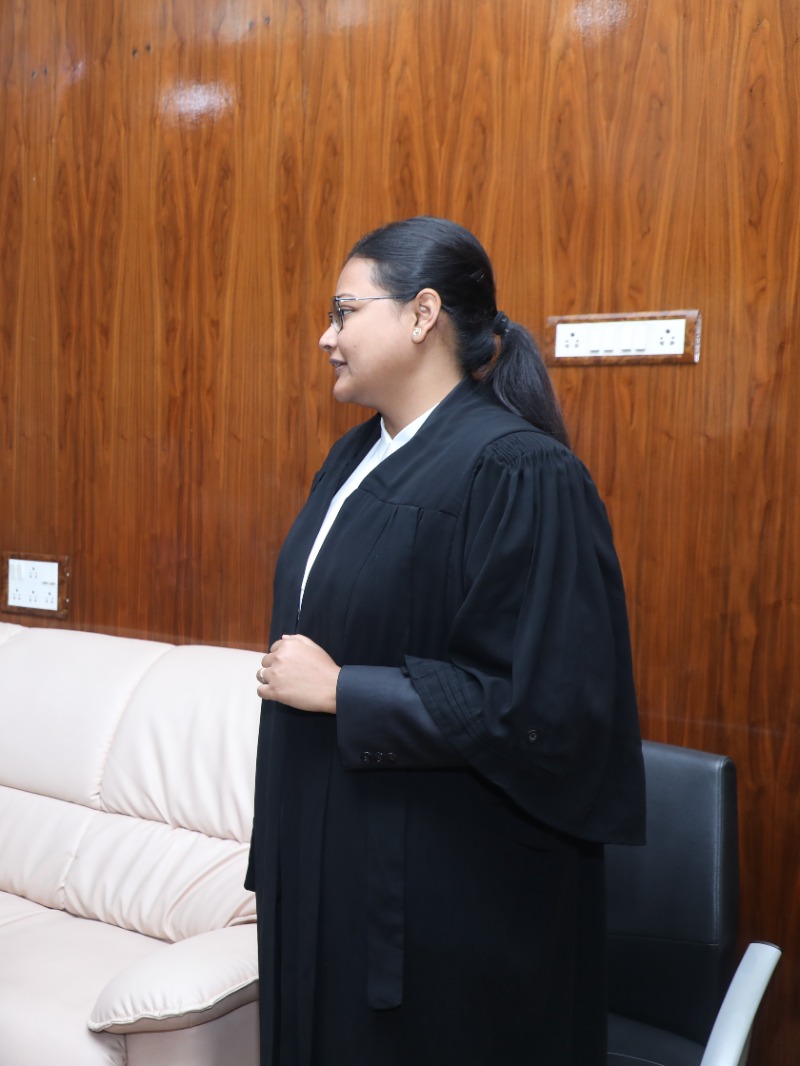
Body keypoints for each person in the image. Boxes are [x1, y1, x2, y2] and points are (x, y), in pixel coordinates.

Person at [248, 217, 646, 1066]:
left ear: (423, 313)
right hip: (326, 867)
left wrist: (343, 690)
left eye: (345, 311)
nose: (326, 336)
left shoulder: (520, 472)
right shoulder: (354, 456)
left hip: (441, 902)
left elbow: (544, 709)